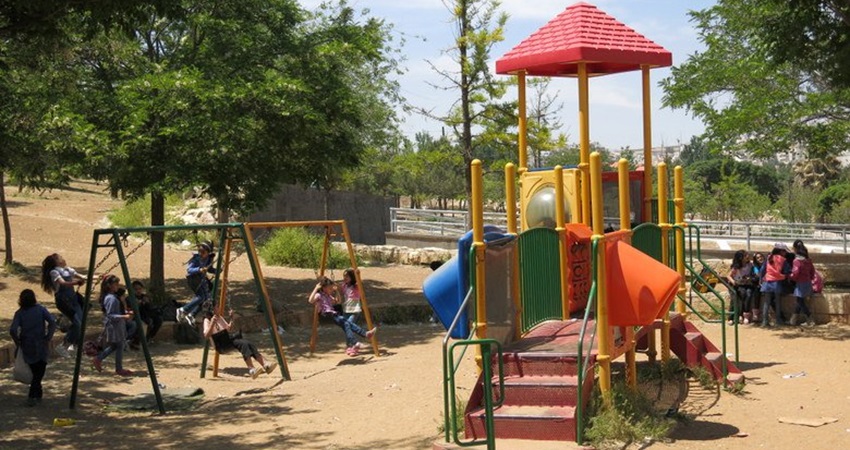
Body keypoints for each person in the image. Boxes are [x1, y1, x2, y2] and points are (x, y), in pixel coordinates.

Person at [9, 289, 57, 406]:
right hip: (41, 343)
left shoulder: (20, 313)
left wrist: (18, 342)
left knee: (35, 371)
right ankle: (33, 396)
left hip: (27, 345)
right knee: (39, 371)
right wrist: (48, 337)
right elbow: (52, 322)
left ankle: (38, 394)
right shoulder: (41, 309)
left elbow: (13, 330)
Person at [309, 276, 376, 357]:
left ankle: (364, 335)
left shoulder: (328, 296)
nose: (331, 290)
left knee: (347, 323)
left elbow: (338, 301)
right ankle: (360, 338)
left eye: (331, 288)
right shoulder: (319, 295)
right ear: (324, 288)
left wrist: (336, 291)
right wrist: (316, 288)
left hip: (334, 314)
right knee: (346, 323)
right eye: (330, 288)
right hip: (327, 315)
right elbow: (310, 300)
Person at [202, 309, 276, 379]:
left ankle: (265, 365)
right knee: (243, 344)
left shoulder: (219, 317)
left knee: (249, 343)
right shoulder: (207, 320)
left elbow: (228, 329)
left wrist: (231, 318)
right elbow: (206, 335)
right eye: (217, 307)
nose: (219, 309)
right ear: (212, 309)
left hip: (227, 340)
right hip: (221, 345)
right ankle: (251, 369)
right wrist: (212, 323)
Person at [40, 253, 85, 358]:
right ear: (56, 262)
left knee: (81, 323)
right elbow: (62, 283)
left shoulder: (68, 270)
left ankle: (73, 342)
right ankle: (64, 345)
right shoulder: (54, 272)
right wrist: (76, 283)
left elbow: (83, 277)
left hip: (73, 299)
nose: (63, 259)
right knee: (77, 323)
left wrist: (99, 277)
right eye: (60, 258)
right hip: (63, 301)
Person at [92, 275, 133, 376]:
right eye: (115, 284)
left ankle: (99, 359)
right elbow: (110, 315)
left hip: (117, 324)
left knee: (116, 345)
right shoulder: (111, 298)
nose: (117, 286)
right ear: (109, 285)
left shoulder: (113, 296)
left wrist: (125, 312)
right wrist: (124, 316)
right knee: (119, 345)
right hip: (115, 326)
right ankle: (118, 368)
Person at [176, 241, 217, 326]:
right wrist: (199, 269)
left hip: (200, 279)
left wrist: (216, 271)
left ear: (208, 252)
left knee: (206, 299)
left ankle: (192, 314)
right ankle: (183, 309)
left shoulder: (209, 258)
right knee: (201, 297)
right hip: (193, 279)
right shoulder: (196, 258)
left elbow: (209, 269)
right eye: (199, 251)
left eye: (203, 252)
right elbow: (189, 270)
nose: (200, 254)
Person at [760, 243, 789, 327]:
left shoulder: (769, 258)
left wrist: (761, 279)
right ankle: (778, 320)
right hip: (777, 282)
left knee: (766, 302)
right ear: (781, 251)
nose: (785, 253)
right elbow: (786, 271)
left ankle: (764, 321)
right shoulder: (783, 260)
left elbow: (762, 270)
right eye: (784, 251)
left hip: (767, 282)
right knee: (778, 302)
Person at [789, 240, 816, 326]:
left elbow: (795, 272)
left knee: (800, 301)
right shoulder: (808, 260)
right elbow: (812, 271)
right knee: (800, 301)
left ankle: (809, 318)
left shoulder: (797, 261)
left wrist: (790, 277)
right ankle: (793, 320)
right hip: (807, 282)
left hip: (800, 283)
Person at [727, 250, 756, 324]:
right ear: (741, 258)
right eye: (745, 255)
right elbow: (729, 276)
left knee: (747, 294)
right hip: (736, 284)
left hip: (745, 284)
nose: (748, 256)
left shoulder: (750, 265)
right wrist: (734, 282)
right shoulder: (736, 267)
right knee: (735, 298)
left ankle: (742, 315)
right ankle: (731, 317)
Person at [750, 252, 766, 323]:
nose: (760, 258)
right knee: (756, 292)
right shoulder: (754, 268)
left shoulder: (767, 265)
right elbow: (753, 278)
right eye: (758, 258)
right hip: (757, 285)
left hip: (767, 284)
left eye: (761, 257)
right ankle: (755, 313)